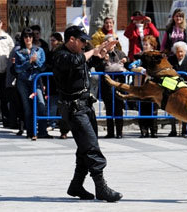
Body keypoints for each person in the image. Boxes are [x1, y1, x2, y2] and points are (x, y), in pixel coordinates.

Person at [52, 25, 122, 202]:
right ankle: (101, 187)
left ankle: (76, 185)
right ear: (72, 40)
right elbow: (75, 62)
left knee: (85, 146)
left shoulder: (78, 55)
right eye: (82, 40)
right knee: (91, 146)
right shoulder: (60, 55)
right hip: (74, 108)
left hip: (85, 104)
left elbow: (86, 64)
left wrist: (101, 53)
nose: (85, 43)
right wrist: (93, 51)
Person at [14, 27, 52, 140]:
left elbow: (43, 66)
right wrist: (28, 62)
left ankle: (42, 131)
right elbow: (17, 69)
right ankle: (30, 132)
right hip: (23, 81)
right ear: (23, 38)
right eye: (26, 37)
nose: (28, 39)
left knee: (41, 104)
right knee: (27, 107)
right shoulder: (18, 52)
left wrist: (36, 62)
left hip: (36, 80)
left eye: (30, 36)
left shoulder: (39, 50)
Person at [97, 34, 128, 139]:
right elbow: (97, 68)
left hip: (119, 84)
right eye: (109, 42)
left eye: (113, 42)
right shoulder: (103, 53)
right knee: (109, 109)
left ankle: (119, 132)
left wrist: (126, 60)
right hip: (107, 85)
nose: (112, 45)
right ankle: (110, 132)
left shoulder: (120, 53)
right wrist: (103, 60)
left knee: (119, 108)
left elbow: (128, 65)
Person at [167, 41, 187, 137]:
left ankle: (184, 129)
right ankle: (173, 129)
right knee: (172, 108)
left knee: (184, 109)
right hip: (172, 88)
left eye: (182, 52)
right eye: (178, 52)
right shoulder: (170, 60)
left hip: (184, 88)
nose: (180, 54)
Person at [136, 35, 159, 138]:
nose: (144, 46)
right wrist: (140, 70)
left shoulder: (156, 56)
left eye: (146, 44)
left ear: (152, 46)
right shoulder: (140, 56)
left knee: (153, 107)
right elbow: (132, 66)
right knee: (142, 107)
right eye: (144, 44)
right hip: (142, 85)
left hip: (154, 85)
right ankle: (143, 130)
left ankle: (153, 130)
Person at [0, 17, 15, 127]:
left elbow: (12, 52)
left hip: (4, 71)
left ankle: (5, 118)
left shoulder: (7, 38)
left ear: (1, 24)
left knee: (4, 96)